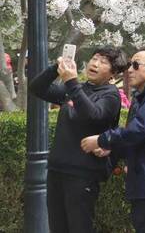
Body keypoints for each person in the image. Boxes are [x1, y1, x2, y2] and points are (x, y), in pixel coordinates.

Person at [81, 50, 145, 233]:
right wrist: (113, 149)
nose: (130, 70)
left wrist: (102, 140)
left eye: (136, 65)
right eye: (130, 64)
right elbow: (144, 137)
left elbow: (140, 130)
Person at [29, 46, 127, 233]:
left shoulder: (110, 95)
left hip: (83, 174)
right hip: (57, 169)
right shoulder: (77, 89)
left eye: (103, 62)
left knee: (79, 227)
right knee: (58, 227)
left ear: (113, 73)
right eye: (94, 58)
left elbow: (92, 115)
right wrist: (56, 67)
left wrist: (72, 83)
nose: (95, 64)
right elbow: (37, 88)